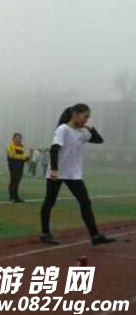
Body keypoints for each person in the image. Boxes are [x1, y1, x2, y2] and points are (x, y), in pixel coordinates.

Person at [41, 104, 114, 246]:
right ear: (75, 114)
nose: (86, 120)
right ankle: (45, 233)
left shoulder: (82, 132)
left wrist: (90, 128)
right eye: (85, 116)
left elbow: (99, 140)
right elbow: (54, 149)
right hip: (57, 173)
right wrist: (54, 170)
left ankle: (95, 236)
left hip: (73, 174)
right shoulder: (63, 129)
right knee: (49, 202)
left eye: (88, 118)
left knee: (85, 202)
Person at [7, 133, 29, 203]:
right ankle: (12, 197)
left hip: (20, 167)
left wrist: (27, 158)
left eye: (19, 138)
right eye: (16, 138)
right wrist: (22, 157)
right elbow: (11, 156)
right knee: (13, 182)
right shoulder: (11, 146)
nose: (18, 139)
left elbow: (24, 158)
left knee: (17, 183)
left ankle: (16, 197)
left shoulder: (22, 147)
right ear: (13, 139)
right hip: (13, 167)